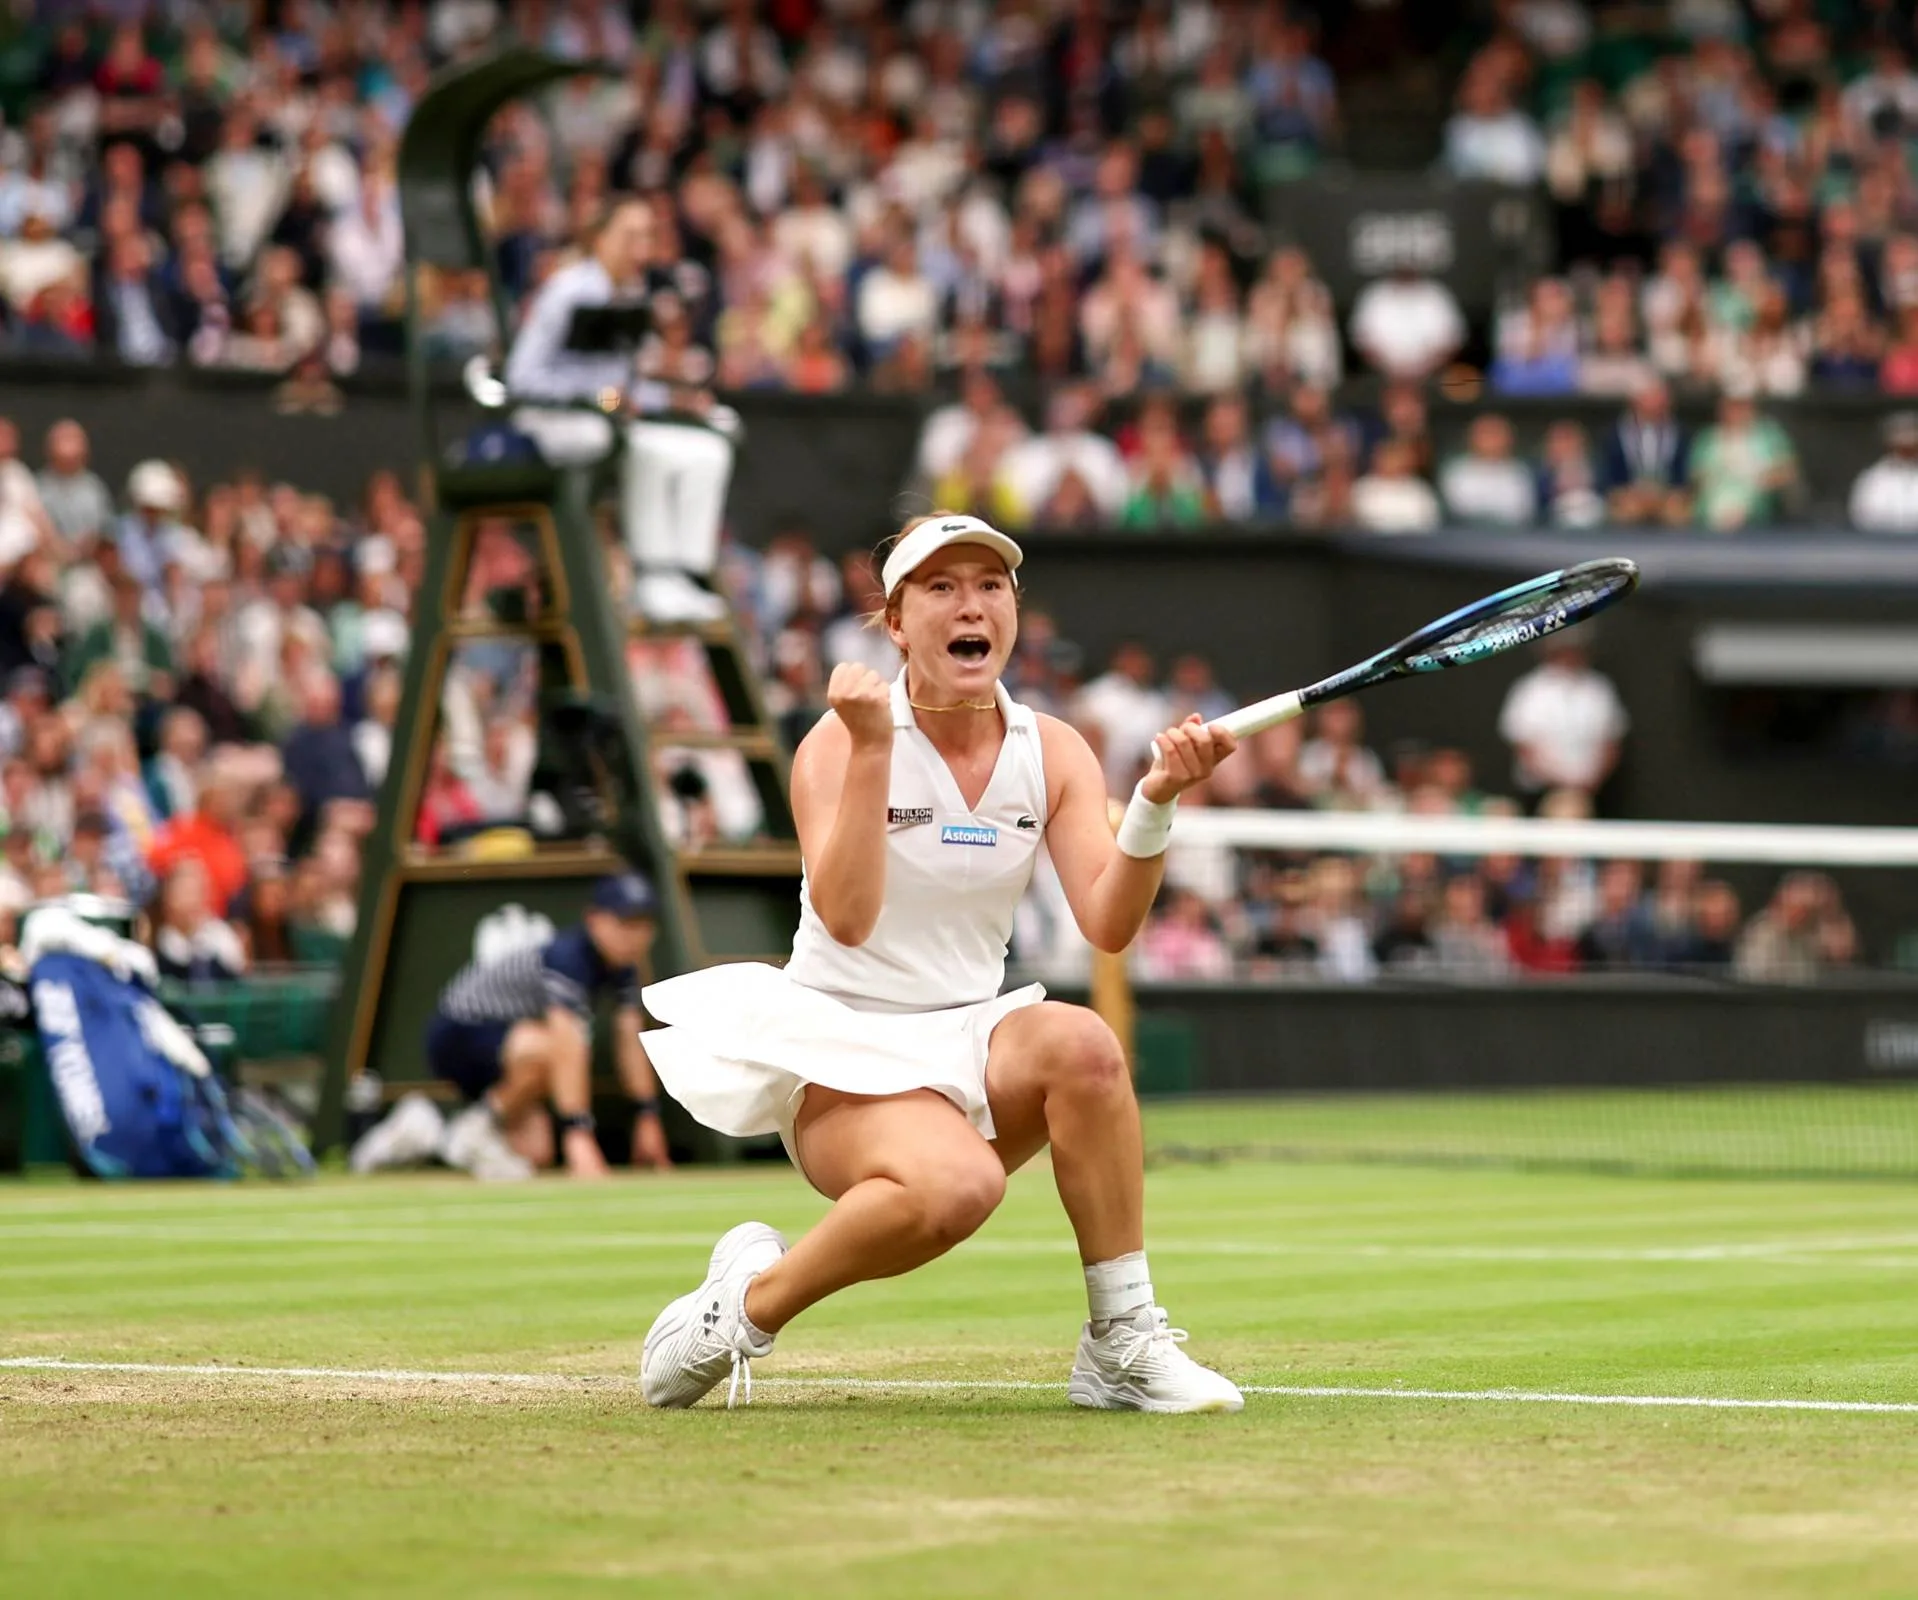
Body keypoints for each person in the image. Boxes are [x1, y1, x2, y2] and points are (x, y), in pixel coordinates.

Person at [637, 512, 1245, 1413]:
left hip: (971, 1038)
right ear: (897, 621)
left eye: (990, 586)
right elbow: (844, 919)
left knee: (1084, 1046)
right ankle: (745, 1309)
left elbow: (1108, 924)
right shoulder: (838, 742)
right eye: (942, 587)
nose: (973, 605)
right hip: (842, 1053)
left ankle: (1121, 1344)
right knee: (962, 1186)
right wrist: (878, 746)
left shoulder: (1056, 750)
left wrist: (1156, 800)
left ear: (1013, 610)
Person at [350, 872, 673, 1181]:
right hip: (459, 1032)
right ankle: (474, 1128)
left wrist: (647, 1115)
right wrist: (578, 1133)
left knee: (537, 1153)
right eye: (625, 923)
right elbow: (565, 1042)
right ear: (594, 920)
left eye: (644, 925)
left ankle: (428, 1131)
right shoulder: (567, 957)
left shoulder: (624, 970)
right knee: (558, 1048)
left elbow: (629, 1039)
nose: (636, 936)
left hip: (509, 1045)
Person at [503, 199, 737, 624]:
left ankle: (683, 576)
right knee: (632, 445)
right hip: (552, 421)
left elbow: (623, 389)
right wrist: (597, 397)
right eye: (629, 236)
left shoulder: (631, 296)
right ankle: (651, 575)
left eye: (647, 236)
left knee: (708, 451)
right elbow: (521, 378)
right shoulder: (567, 291)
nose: (639, 248)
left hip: (604, 419)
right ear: (600, 239)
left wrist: (672, 400)